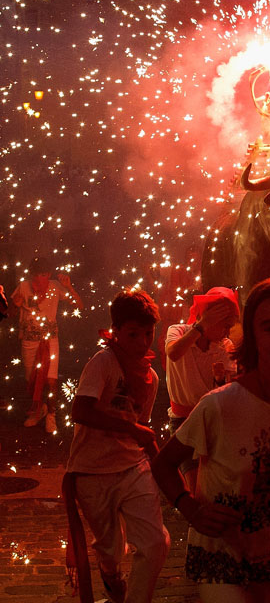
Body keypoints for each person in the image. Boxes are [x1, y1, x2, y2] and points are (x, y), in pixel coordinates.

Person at [152, 278, 270, 603]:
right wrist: (191, 508)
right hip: (224, 565)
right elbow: (163, 463)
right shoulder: (219, 404)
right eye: (269, 328)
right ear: (252, 336)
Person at [65, 290, 169, 603]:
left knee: (155, 543)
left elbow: (141, 428)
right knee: (109, 549)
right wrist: (131, 428)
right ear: (117, 331)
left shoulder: (150, 377)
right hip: (92, 471)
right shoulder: (103, 362)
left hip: (132, 468)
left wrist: (162, 466)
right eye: (133, 334)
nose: (142, 342)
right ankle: (113, 586)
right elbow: (80, 411)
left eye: (148, 334)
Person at [164, 288, 239, 492]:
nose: (227, 332)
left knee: (211, 486)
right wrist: (202, 325)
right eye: (225, 325)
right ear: (210, 319)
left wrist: (220, 379)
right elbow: (173, 353)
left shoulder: (224, 345)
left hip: (212, 421)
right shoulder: (178, 331)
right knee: (193, 484)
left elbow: (228, 393)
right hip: (183, 421)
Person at [12, 257, 82, 433]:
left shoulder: (56, 287)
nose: (38, 279)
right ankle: (39, 410)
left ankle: (51, 415)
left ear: (48, 275)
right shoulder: (23, 286)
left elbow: (79, 306)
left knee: (51, 381)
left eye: (42, 275)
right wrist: (15, 305)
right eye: (36, 275)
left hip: (50, 340)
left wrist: (69, 287)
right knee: (32, 380)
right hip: (29, 340)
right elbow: (10, 313)